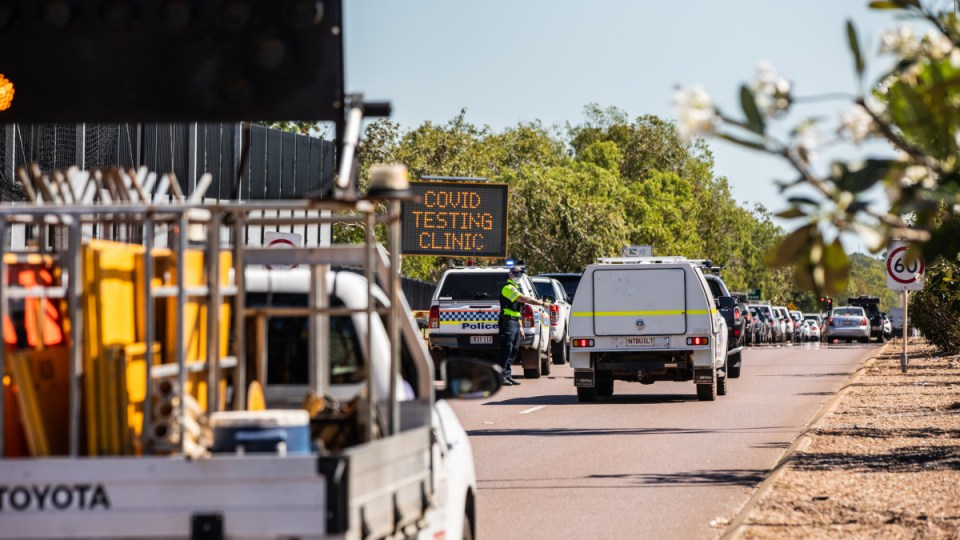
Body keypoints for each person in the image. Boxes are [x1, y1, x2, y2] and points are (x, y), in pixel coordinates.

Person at [498, 266, 550, 386]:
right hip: (508, 322)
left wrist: (520, 326)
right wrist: (541, 303)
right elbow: (523, 299)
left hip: (515, 322)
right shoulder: (508, 288)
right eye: (516, 274)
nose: (518, 277)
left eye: (520, 274)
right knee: (507, 349)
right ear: (510, 275)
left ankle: (507, 375)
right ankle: (501, 376)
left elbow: (518, 310)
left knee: (514, 349)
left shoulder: (515, 287)